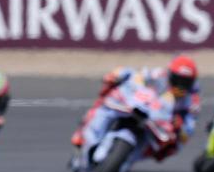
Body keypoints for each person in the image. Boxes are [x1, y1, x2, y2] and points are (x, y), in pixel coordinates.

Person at [71, 55, 201, 160]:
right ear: (170, 75)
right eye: (178, 80)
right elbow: (136, 75)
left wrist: (180, 127)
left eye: (186, 82)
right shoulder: (158, 75)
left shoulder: (192, 101)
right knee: (109, 92)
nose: (180, 86)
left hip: (158, 123)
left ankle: (129, 157)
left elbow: (188, 130)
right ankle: (86, 127)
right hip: (138, 105)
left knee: (171, 147)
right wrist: (118, 75)